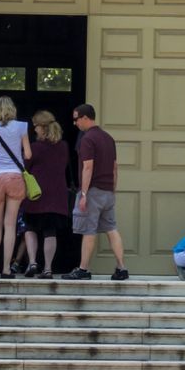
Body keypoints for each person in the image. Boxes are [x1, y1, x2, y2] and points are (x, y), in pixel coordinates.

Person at [65, 102, 127, 281]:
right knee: (111, 229)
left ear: (85, 118)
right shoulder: (108, 138)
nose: (75, 123)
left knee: (88, 230)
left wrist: (83, 194)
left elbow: (87, 166)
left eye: (76, 119)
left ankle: (83, 269)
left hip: (93, 191)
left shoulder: (87, 139)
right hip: (108, 192)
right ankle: (121, 268)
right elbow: (115, 168)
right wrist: (113, 190)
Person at [0, 95, 30, 278]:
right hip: (15, 176)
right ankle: (7, 268)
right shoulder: (22, 126)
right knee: (10, 225)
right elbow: (29, 154)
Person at [20, 110, 72, 278]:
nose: (34, 129)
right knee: (50, 231)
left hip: (36, 195)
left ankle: (33, 262)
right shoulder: (63, 147)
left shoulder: (35, 148)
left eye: (35, 126)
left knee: (30, 228)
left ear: (42, 127)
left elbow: (24, 167)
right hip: (57, 195)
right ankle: (48, 268)